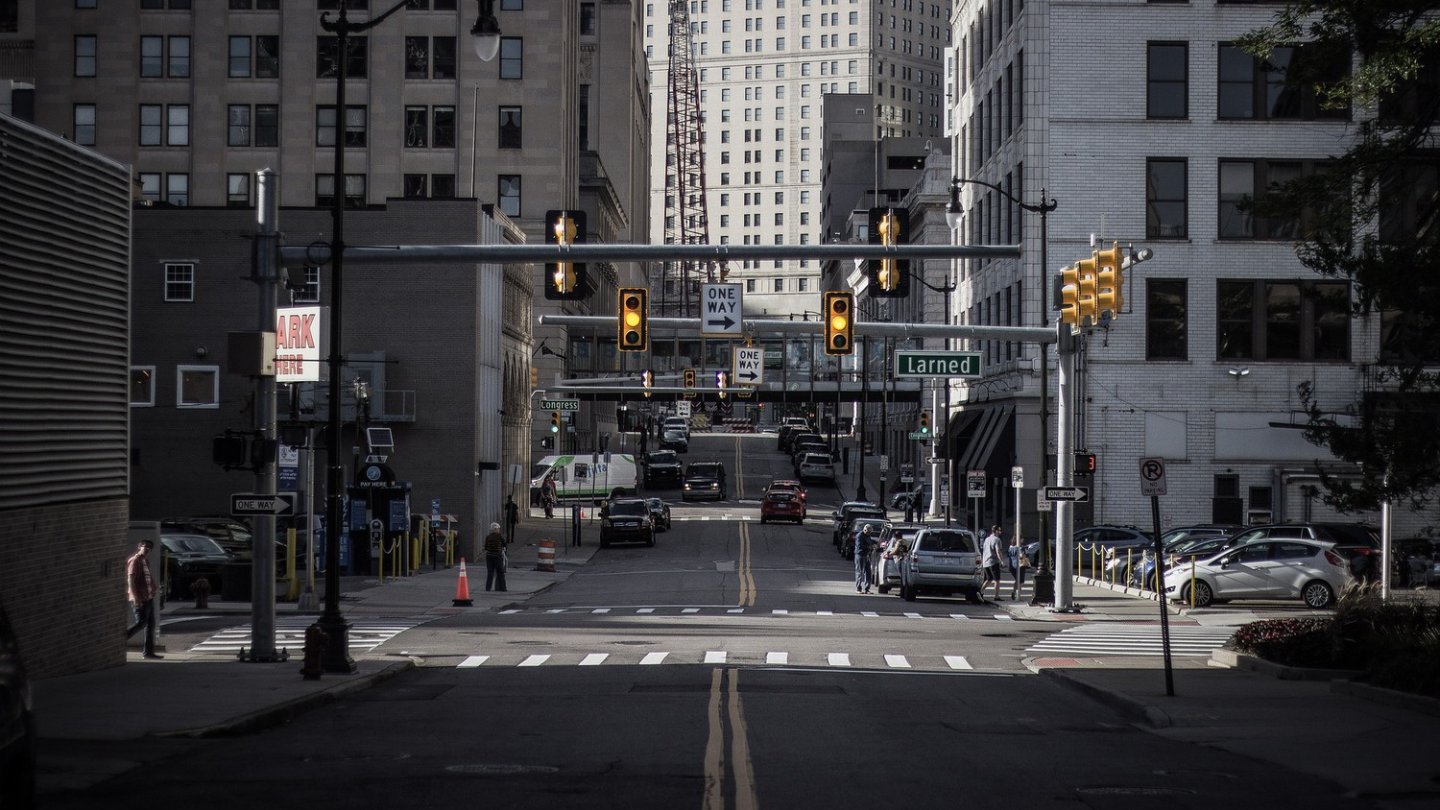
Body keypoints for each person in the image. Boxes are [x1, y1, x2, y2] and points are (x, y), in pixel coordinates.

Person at [125, 539, 162, 658]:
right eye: (145, 547)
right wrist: (135, 597)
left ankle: (148, 652)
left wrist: (153, 588)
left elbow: (146, 579)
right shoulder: (135, 560)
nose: (147, 550)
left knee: (150, 624)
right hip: (139, 597)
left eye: (149, 548)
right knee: (141, 622)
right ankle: (121, 639)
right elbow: (130, 579)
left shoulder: (145, 561)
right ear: (139, 547)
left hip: (148, 597)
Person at [980, 525, 1005, 602]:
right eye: (999, 530)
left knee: (989, 579)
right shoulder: (997, 540)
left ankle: (980, 592)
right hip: (993, 562)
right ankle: (996, 596)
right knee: (997, 580)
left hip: (985, 562)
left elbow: (984, 550)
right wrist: (1001, 561)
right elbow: (998, 551)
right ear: (996, 531)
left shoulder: (987, 539)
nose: (1000, 532)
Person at [483, 522, 507, 592]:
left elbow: (486, 547)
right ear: (496, 529)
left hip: (489, 556)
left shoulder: (488, 537)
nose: (499, 530)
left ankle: (488, 588)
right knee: (500, 572)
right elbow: (504, 545)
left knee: (490, 573)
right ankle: (503, 588)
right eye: (498, 529)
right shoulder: (500, 536)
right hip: (497, 556)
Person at [854, 524, 876, 594]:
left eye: (870, 532)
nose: (869, 533)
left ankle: (867, 588)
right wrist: (869, 547)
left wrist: (875, 544)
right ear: (865, 530)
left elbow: (870, 541)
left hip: (867, 555)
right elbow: (859, 546)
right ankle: (858, 588)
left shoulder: (868, 536)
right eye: (868, 532)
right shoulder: (860, 536)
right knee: (860, 572)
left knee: (868, 572)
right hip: (860, 555)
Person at [1009, 534, 1030, 600]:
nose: (1023, 540)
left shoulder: (1011, 547)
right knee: (1021, 581)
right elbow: (1021, 555)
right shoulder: (1020, 547)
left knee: (1017, 580)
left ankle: (1014, 592)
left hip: (1012, 566)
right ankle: (1018, 595)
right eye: (1022, 539)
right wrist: (1025, 556)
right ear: (1019, 539)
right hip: (1020, 566)